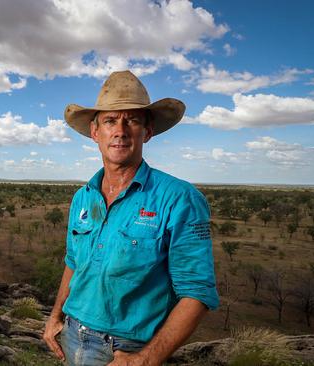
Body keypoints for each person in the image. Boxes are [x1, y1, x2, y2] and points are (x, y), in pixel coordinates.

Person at [42, 70, 219, 366]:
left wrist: (145, 360)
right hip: (72, 335)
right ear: (95, 132)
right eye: (110, 120)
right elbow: (73, 263)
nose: (120, 131)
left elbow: (197, 292)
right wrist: (55, 316)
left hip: (125, 349)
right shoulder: (83, 197)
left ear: (147, 132)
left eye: (132, 120)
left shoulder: (178, 198)